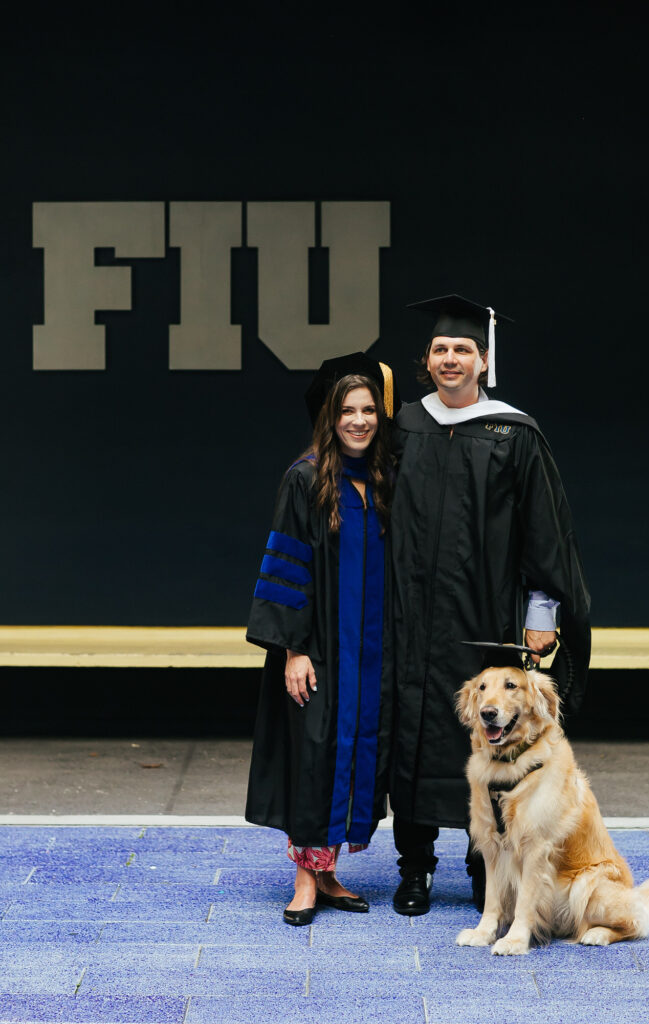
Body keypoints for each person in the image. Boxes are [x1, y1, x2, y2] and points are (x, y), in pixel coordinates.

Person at [389, 292, 591, 916]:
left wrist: (540, 619)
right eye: (441, 349)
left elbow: (545, 536)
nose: (451, 359)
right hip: (411, 621)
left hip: (486, 620)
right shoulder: (405, 427)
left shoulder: (515, 433)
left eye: (463, 350)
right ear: (427, 360)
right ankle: (415, 867)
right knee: (414, 738)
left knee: (490, 737)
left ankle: (487, 870)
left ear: (483, 360)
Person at [245, 353, 398, 926]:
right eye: (347, 412)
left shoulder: (383, 480)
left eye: (367, 411)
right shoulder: (306, 478)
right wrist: (294, 650)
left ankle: (329, 872)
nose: (358, 421)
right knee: (314, 757)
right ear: (329, 419)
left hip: (371, 654)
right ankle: (305, 881)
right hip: (322, 652)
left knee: (354, 754)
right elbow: (289, 567)